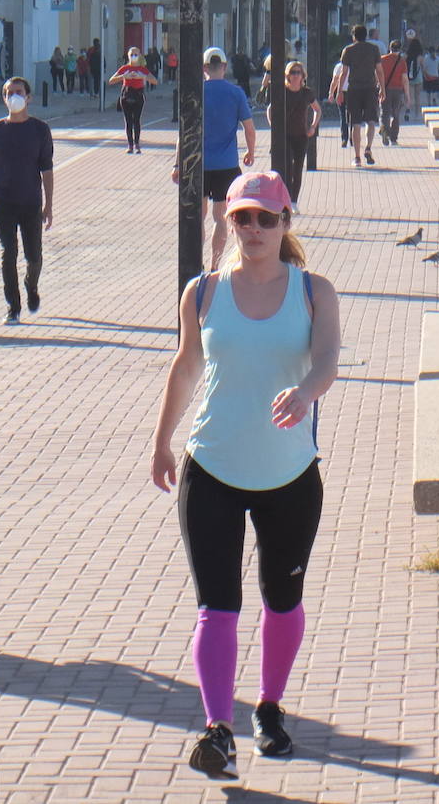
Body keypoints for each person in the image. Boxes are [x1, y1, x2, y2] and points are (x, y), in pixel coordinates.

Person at [150, 170, 341, 780]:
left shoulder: (314, 291)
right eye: (242, 218)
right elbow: (186, 366)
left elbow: (329, 359)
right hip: (212, 467)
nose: (254, 229)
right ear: (229, 222)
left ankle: (269, 708)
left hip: (289, 474)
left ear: (285, 222)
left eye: (265, 218)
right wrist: (161, 441)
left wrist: (306, 392)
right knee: (217, 606)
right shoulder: (203, 292)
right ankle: (218, 730)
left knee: (282, 601)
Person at [171, 48, 255, 268]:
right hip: (226, 165)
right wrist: (251, 152)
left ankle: (196, 262)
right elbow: (249, 128)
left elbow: (184, 132)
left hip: (197, 163)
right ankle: (215, 264)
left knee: (198, 216)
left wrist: (178, 163)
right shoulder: (236, 93)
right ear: (225, 67)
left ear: (204, 68)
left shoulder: (196, 92)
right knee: (220, 217)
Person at [0, 77, 55, 324]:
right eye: (8, 93)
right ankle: (13, 306)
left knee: (34, 255)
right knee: (8, 253)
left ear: (28, 97)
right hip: (3, 201)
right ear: (4, 99)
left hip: (31, 202)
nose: (13, 96)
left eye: (18, 92)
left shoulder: (40, 129)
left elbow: (46, 169)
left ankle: (31, 285)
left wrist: (49, 205)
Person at [267, 61, 321, 210]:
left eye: (298, 72)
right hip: (285, 135)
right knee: (287, 168)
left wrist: (313, 127)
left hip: (301, 136)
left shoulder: (307, 93)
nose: (296, 76)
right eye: (293, 72)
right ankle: (285, 199)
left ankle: (294, 201)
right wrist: (273, 127)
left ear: (303, 76)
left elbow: (317, 110)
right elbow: (270, 109)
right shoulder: (282, 92)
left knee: (298, 169)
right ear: (288, 75)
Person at [339, 25, 382, 167]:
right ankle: (368, 147)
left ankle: (357, 157)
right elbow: (379, 71)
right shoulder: (374, 49)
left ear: (354, 36)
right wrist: (382, 88)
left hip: (354, 90)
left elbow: (344, 73)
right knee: (371, 121)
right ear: (366, 35)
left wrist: (339, 91)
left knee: (355, 123)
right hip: (370, 88)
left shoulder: (348, 50)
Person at [110, 46, 159, 154]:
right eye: (131, 54)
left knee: (136, 120)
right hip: (126, 96)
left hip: (138, 96)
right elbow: (111, 80)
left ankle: (137, 144)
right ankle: (130, 145)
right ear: (128, 56)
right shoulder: (124, 68)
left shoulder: (142, 69)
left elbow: (155, 81)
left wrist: (142, 76)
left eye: (136, 54)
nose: (133, 56)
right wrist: (124, 76)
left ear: (139, 55)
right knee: (128, 121)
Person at [378, 40, 411, 147]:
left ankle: (384, 131)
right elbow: (405, 79)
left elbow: (377, 75)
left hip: (385, 89)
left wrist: (379, 87)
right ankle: (393, 139)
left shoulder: (382, 59)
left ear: (389, 48)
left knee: (384, 113)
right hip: (397, 90)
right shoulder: (402, 61)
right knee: (395, 114)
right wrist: (407, 95)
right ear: (400, 49)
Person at [327, 56, 349, 147]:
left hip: (342, 92)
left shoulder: (339, 66)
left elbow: (335, 80)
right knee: (353, 116)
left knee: (343, 115)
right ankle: (353, 138)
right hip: (353, 92)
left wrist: (331, 93)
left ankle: (344, 138)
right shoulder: (355, 65)